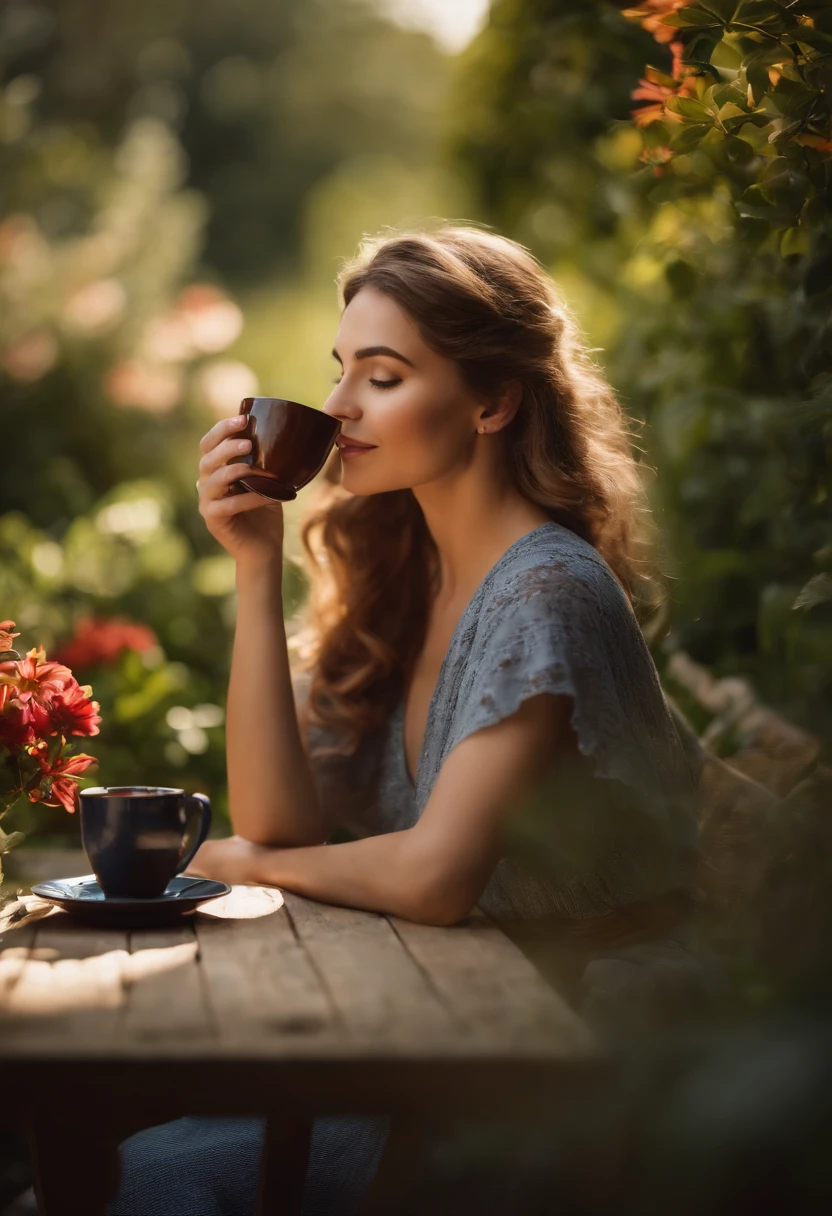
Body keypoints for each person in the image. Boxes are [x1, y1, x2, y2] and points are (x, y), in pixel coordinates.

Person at [109, 224, 718, 1216]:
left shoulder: (544, 591)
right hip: (446, 1017)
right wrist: (256, 564)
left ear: (493, 401)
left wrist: (245, 865)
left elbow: (431, 876)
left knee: (143, 1185)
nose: (339, 405)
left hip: (575, 1055)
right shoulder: (414, 573)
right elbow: (281, 823)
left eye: (383, 377)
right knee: (132, 1168)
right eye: (340, 369)